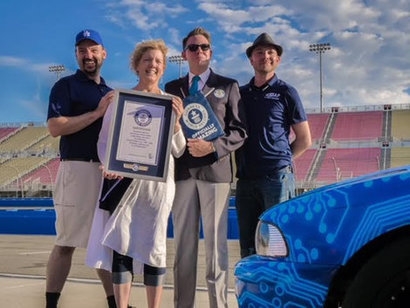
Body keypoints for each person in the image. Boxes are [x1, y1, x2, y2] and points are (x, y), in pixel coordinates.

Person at [86, 39, 186, 308]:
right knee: (122, 246)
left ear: (163, 69)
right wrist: (109, 165)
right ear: (136, 65)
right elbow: (104, 142)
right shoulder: (121, 100)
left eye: (158, 62)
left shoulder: (171, 103)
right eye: (147, 60)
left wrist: (176, 124)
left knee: (155, 250)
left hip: (157, 189)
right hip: (124, 184)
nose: (152, 65)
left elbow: (179, 150)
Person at [164, 27, 247, 308]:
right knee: (183, 250)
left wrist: (212, 147)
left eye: (204, 47)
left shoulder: (229, 85)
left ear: (210, 52)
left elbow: (239, 132)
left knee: (216, 250)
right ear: (185, 53)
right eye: (193, 47)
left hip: (215, 173)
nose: (199, 51)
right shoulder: (172, 89)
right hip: (183, 174)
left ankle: (219, 305)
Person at [45, 29, 116, 308]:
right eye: (82, 50)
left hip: (105, 172)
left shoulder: (110, 93)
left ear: (103, 53)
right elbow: (54, 127)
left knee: (105, 243)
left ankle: (114, 303)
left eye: (93, 49)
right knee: (66, 241)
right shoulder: (65, 86)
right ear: (76, 54)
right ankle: (51, 303)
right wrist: (97, 113)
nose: (88, 55)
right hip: (76, 169)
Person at [235, 33, 312, 258]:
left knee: (278, 244)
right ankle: (249, 292)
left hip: (276, 180)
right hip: (245, 181)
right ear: (251, 59)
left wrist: (280, 162)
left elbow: (304, 139)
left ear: (277, 59)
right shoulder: (240, 94)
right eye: (259, 52)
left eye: (271, 52)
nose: (265, 56)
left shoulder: (287, 92)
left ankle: (280, 292)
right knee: (248, 247)